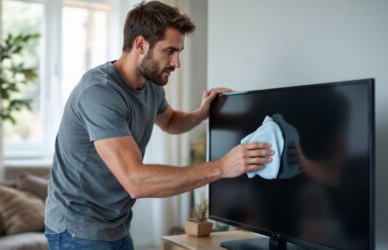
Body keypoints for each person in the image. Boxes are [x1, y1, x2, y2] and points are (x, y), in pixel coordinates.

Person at [44, 1, 274, 249]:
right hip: (77, 230)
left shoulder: (150, 84)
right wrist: (221, 167)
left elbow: (171, 121)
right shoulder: (99, 93)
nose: (177, 63)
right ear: (141, 45)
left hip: (116, 225)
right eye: (170, 51)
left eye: (179, 52)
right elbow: (136, 181)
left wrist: (201, 113)